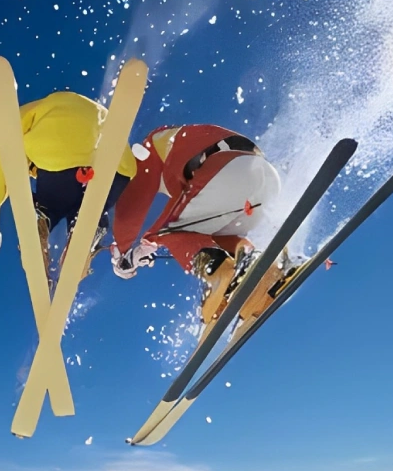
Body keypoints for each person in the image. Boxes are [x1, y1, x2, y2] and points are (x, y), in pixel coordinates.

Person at [110, 123, 282, 324]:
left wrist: (125, 252)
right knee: (212, 235)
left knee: (172, 232)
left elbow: (133, 205)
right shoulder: (186, 139)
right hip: (265, 182)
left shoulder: (149, 148)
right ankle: (262, 272)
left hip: (229, 169)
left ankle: (219, 275)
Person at [0, 90, 137, 279]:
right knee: (89, 209)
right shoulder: (94, 111)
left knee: (52, 204)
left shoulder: (18, 118)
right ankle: (90, 226)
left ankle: (43, 220)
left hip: (61, 148)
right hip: (118, 167)